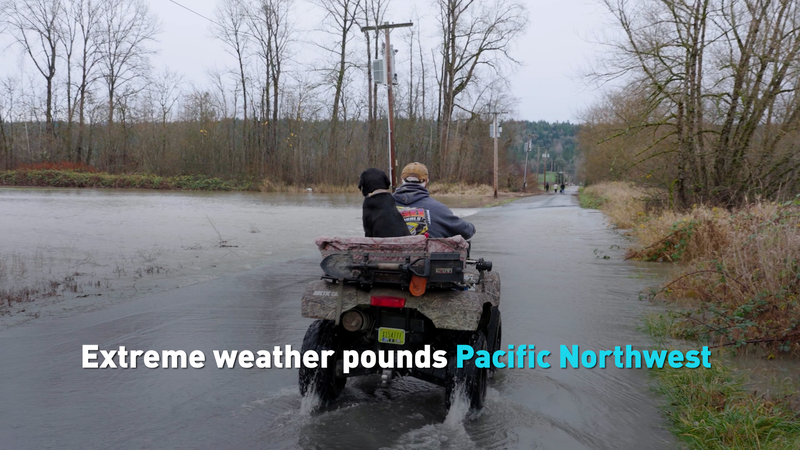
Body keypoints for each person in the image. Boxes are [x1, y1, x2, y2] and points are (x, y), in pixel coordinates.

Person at [392, 162, 476, 239]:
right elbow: (466, 231)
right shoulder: (438, 209)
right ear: (426, 182)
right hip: (427, 255)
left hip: (389, 255)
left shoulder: (382, 207)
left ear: (401, 180)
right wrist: (471, 227)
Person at [358, 168, 410, 237]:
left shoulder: (369, 204)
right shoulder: (390, 199)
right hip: (406, 243)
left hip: (383, 246)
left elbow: (368, 235)